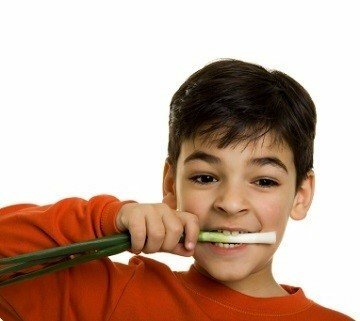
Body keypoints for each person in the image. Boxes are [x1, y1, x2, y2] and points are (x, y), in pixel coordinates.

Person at [0, 58, 354, 320]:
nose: (230, 204)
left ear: (301, 195)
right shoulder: (113, 298)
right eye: (205, 177)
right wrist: (109, 218)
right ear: (171, 184)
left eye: (264, 181)